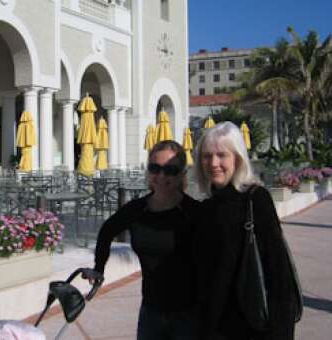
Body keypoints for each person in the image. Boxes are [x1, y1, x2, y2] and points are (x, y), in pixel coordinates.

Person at [194, 121, 297, 340]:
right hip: (214, 327)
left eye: (222, 155)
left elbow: (279, 271)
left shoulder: (256, 199)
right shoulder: (206, 208)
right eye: (207, 156)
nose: (213, 163)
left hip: (252, 327)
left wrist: (282, 331)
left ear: (238, 158)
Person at [88, 140, 200, 340]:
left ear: (182, 174)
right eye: (155, 168)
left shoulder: (194, 212)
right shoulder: (137, 209)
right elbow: (107, 231)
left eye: (170, 170)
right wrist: (99, 268)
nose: (162, 176)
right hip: (150, 312)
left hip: (189, 314)